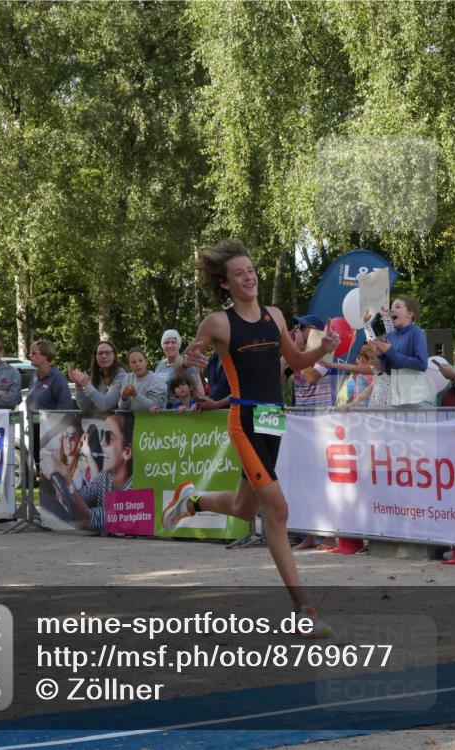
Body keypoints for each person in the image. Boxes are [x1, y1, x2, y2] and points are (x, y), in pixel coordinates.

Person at [171, 238, 339, 637]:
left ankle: (191, 500)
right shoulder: (218, 323)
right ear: (226, 284)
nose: (249, 277)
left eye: (251, 270)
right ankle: (304, 609)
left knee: (248, 509)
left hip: (272, 419)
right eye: (240, 273)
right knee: (277, 510)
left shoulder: (275, 316)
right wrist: (188, 360)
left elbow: (296, 363)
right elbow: (185, 360)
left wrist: (323, 350)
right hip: (243, 420)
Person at [46, 412, 134, 533]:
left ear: (127, 452)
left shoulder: (133, 491)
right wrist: (63, 491)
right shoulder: (106, 477)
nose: (102, 442)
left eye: (109, 437)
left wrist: (66, 478)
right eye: (102, 435)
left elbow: (88, 519)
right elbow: (82, 496)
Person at [372, 296, 431, 408]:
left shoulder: (416, 332)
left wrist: (391, 352)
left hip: (417, 400)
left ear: (410, 314)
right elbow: (389, 371)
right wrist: (382, 356)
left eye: (397, 307)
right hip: (396, 402)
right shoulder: (389, 336)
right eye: (391, 307)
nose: (392, 310)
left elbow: (422, 364)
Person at [288, 315, 337, 408]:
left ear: (315, 331)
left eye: (302, 327)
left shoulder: (327, 352)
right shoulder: (300, 352)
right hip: (301, 415)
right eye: (296, 327)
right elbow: (281, 375)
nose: (297, 331)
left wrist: (299, 352)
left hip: (320, 416)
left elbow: (311, 378)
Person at [69, 341, 127, 412]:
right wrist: (78, 386)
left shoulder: (122, 376)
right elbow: (84, 407)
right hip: (96, 421)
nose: (104, 356)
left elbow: (105, 405)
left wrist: (87, 385)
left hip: (116, 422)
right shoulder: (97, 376)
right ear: (95, 357)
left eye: (108, 353)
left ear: (114, 356)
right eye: (100, 353)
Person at [156, 329, 205, 403]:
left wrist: (198, 405)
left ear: (179, 345)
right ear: (162, 346)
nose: (170, 345)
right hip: (160, 410)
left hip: (180, 411)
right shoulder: (160, 364)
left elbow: (199, 391)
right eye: (166, 342)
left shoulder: (186, 363)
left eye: (173, 342)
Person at [25, 340, 73, 411]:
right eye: (30, 353)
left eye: (34, 353)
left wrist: (53, 421)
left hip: (51, 421)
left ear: (46, 355)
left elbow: (65, 406)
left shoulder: (57, 378)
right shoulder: (34, 376)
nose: (30, 355)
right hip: (33, 422)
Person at [118, 347, 168, 412]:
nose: (137, 364)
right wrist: (123, 397)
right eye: (133, 362)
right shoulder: (127, 379)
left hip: (157, 419)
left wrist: (135, 394)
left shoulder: (157, 380)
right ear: (129, 365)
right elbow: (122, 408)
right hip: (135, 420)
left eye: (140, 360)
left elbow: (154, 406)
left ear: (146, 362)